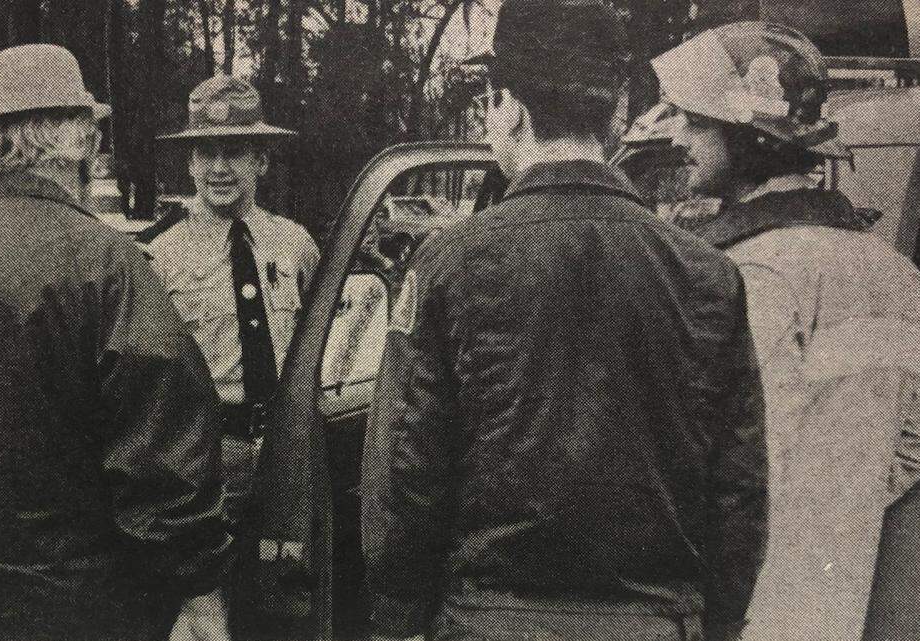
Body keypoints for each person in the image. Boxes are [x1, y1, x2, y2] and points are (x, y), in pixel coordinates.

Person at [361, 2, 770, 641]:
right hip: (656, 622)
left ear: (509, 107)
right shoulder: (706, 274)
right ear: (614, 115)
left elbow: (405, 471)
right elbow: (737, 491)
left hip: (489, 621)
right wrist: (715, 624)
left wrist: (400, 617)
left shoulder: (447, 264)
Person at [0, 44, 231, 641]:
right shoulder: (111, 266)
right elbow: (163, 452)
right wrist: (196, 588)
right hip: (83, 609)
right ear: (83, 144)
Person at [651, 21, 920, 641]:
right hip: (855, 590)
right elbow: (908, 447)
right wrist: (844, 499)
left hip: (760, 599)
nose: (679, 136)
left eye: (696, 120)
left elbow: (739, 461)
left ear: (748, 137)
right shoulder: (892, 270)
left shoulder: (753, 274)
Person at [149, 75, 320, 636]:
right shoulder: (161, 257)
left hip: (285, 453)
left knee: (284, 601)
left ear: (262, 161)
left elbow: (324, 346)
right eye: (207, 153)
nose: (220, 168)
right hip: (204, 459)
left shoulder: (295, 246)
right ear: (190, 165)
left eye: (235, 152)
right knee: (202, 610)